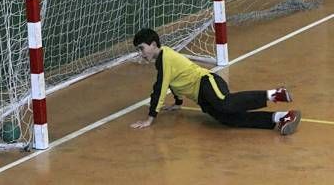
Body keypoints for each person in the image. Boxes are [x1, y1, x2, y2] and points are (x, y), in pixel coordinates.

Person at [129, 28, 301, 135]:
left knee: (224, 103)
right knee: (228, 119)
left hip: (206, 82)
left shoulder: (165, 57)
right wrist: (178, 102)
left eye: (142, 48)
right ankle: (282, 117)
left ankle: (276, 94)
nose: (141, 53)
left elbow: (159, 88)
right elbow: (174, 81)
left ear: (153, 44)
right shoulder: (163, 62)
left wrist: (150, 119)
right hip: (201, 97)